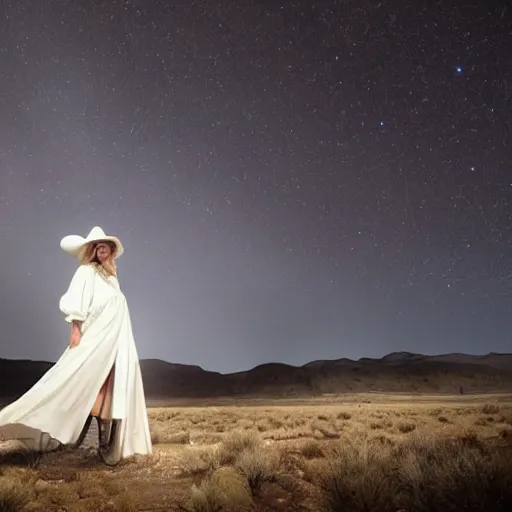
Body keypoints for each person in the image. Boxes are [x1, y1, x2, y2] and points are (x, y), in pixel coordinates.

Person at [0, 226, 152, 465]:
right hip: (97, 337)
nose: (101, 248)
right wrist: (76, 329)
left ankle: (102, 443)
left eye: (105, 245)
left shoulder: (111, 277)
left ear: (111, 250)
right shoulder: (86, 271)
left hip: (116, 340)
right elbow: (77, 300)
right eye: (97, 245)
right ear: (92, 250)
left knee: (108, 384)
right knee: (79, 380)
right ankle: (74, 434)